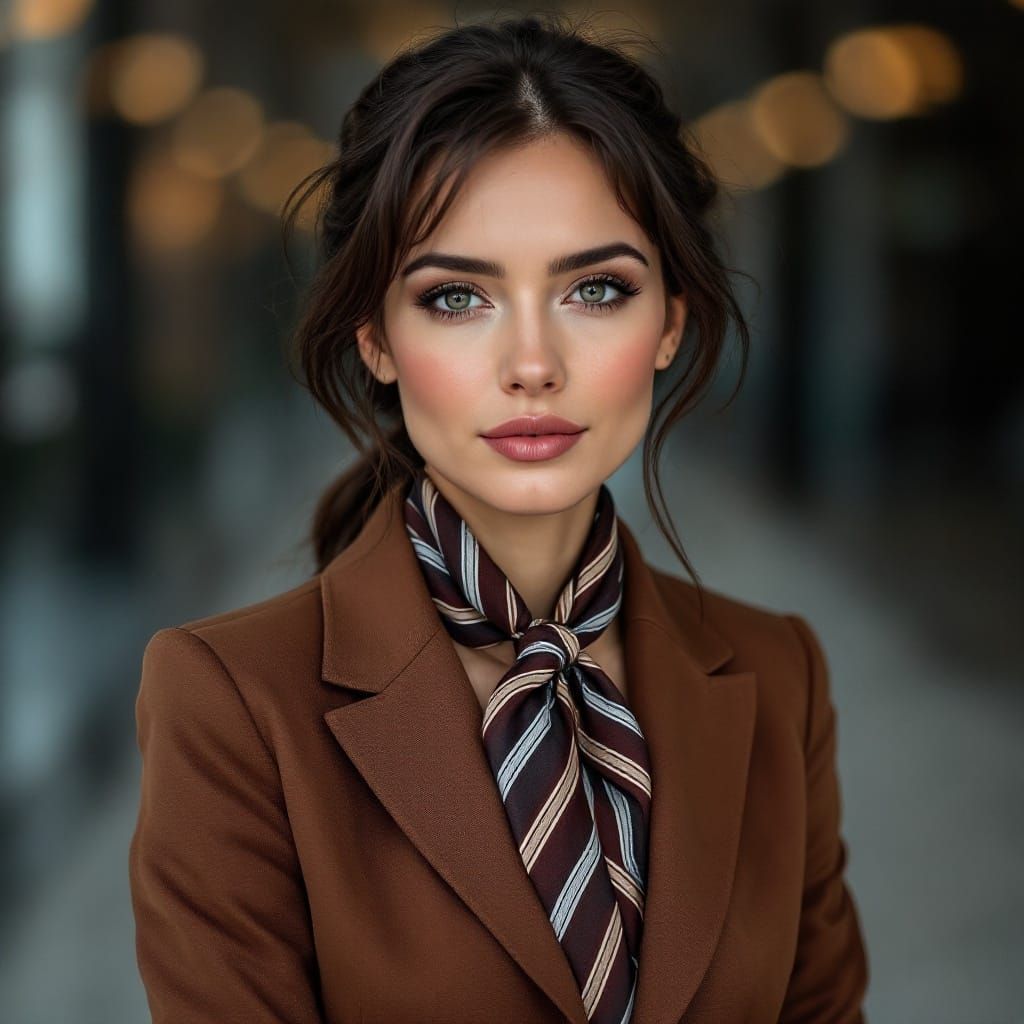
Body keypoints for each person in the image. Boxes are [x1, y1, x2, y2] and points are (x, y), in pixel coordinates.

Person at [128, 13, 870, 1024]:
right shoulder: (232, 704)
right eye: (456, 299)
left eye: (596, 289)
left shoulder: (778, 674)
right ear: (375, 338)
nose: (532, 362)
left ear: (671, 325)